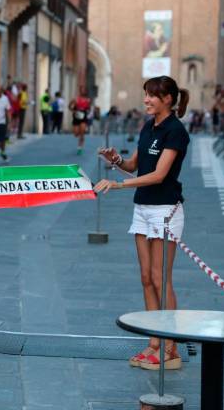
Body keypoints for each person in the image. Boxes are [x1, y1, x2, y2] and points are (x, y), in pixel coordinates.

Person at [94, 75, 190, 371]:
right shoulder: (149, 125)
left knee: (162, 279)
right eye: (146, 94)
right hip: (142, 209)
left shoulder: (176, 131)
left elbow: (160, 175)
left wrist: (119, 185)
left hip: (165, 210)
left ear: (168, 100)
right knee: (146, 278)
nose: (146, 99)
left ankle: (170, 347)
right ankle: (154, 343)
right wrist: (117, 161)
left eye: (152, 96)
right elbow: (135, 165)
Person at [70, 89, 91, 155]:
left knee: (82, 132)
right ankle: (79, 133)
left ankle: (80, 148)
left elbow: (89, 109)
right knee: (76, 134)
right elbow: (69, 106)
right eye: (82, 91)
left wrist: (87, 111)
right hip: (76, 117)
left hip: (83, 117)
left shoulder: (88, 100)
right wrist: (73, 111)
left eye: (84, 91)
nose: (83, 92)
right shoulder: (75, 100)